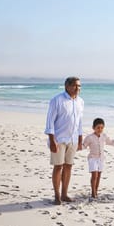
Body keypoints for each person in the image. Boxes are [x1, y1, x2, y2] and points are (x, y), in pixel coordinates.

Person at [44, 76, 84, 205]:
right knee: (58, 166)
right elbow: (50, 121)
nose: (77, 88)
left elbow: (79, 121)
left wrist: (80, 136)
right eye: (75, 85)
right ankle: (57, 196)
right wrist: (52, 139)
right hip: (59, 139)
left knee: (68, 166)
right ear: (67, 86)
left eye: (79, 86)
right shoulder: (57, 100)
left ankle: (64, 194)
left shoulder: (80, 101)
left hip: (73, 139)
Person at [82, 118, 114, 199]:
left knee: (99, 175)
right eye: (98, 127)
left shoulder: (104, 136)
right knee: (94, 175)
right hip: (92, 158)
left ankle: (96, 191)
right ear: (93, 128)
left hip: (101, 159)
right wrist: (76, 147)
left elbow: (110, 142)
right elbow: (84, 146)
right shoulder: (89, 137)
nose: (100, 129)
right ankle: (93, 193)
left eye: (101, 127)